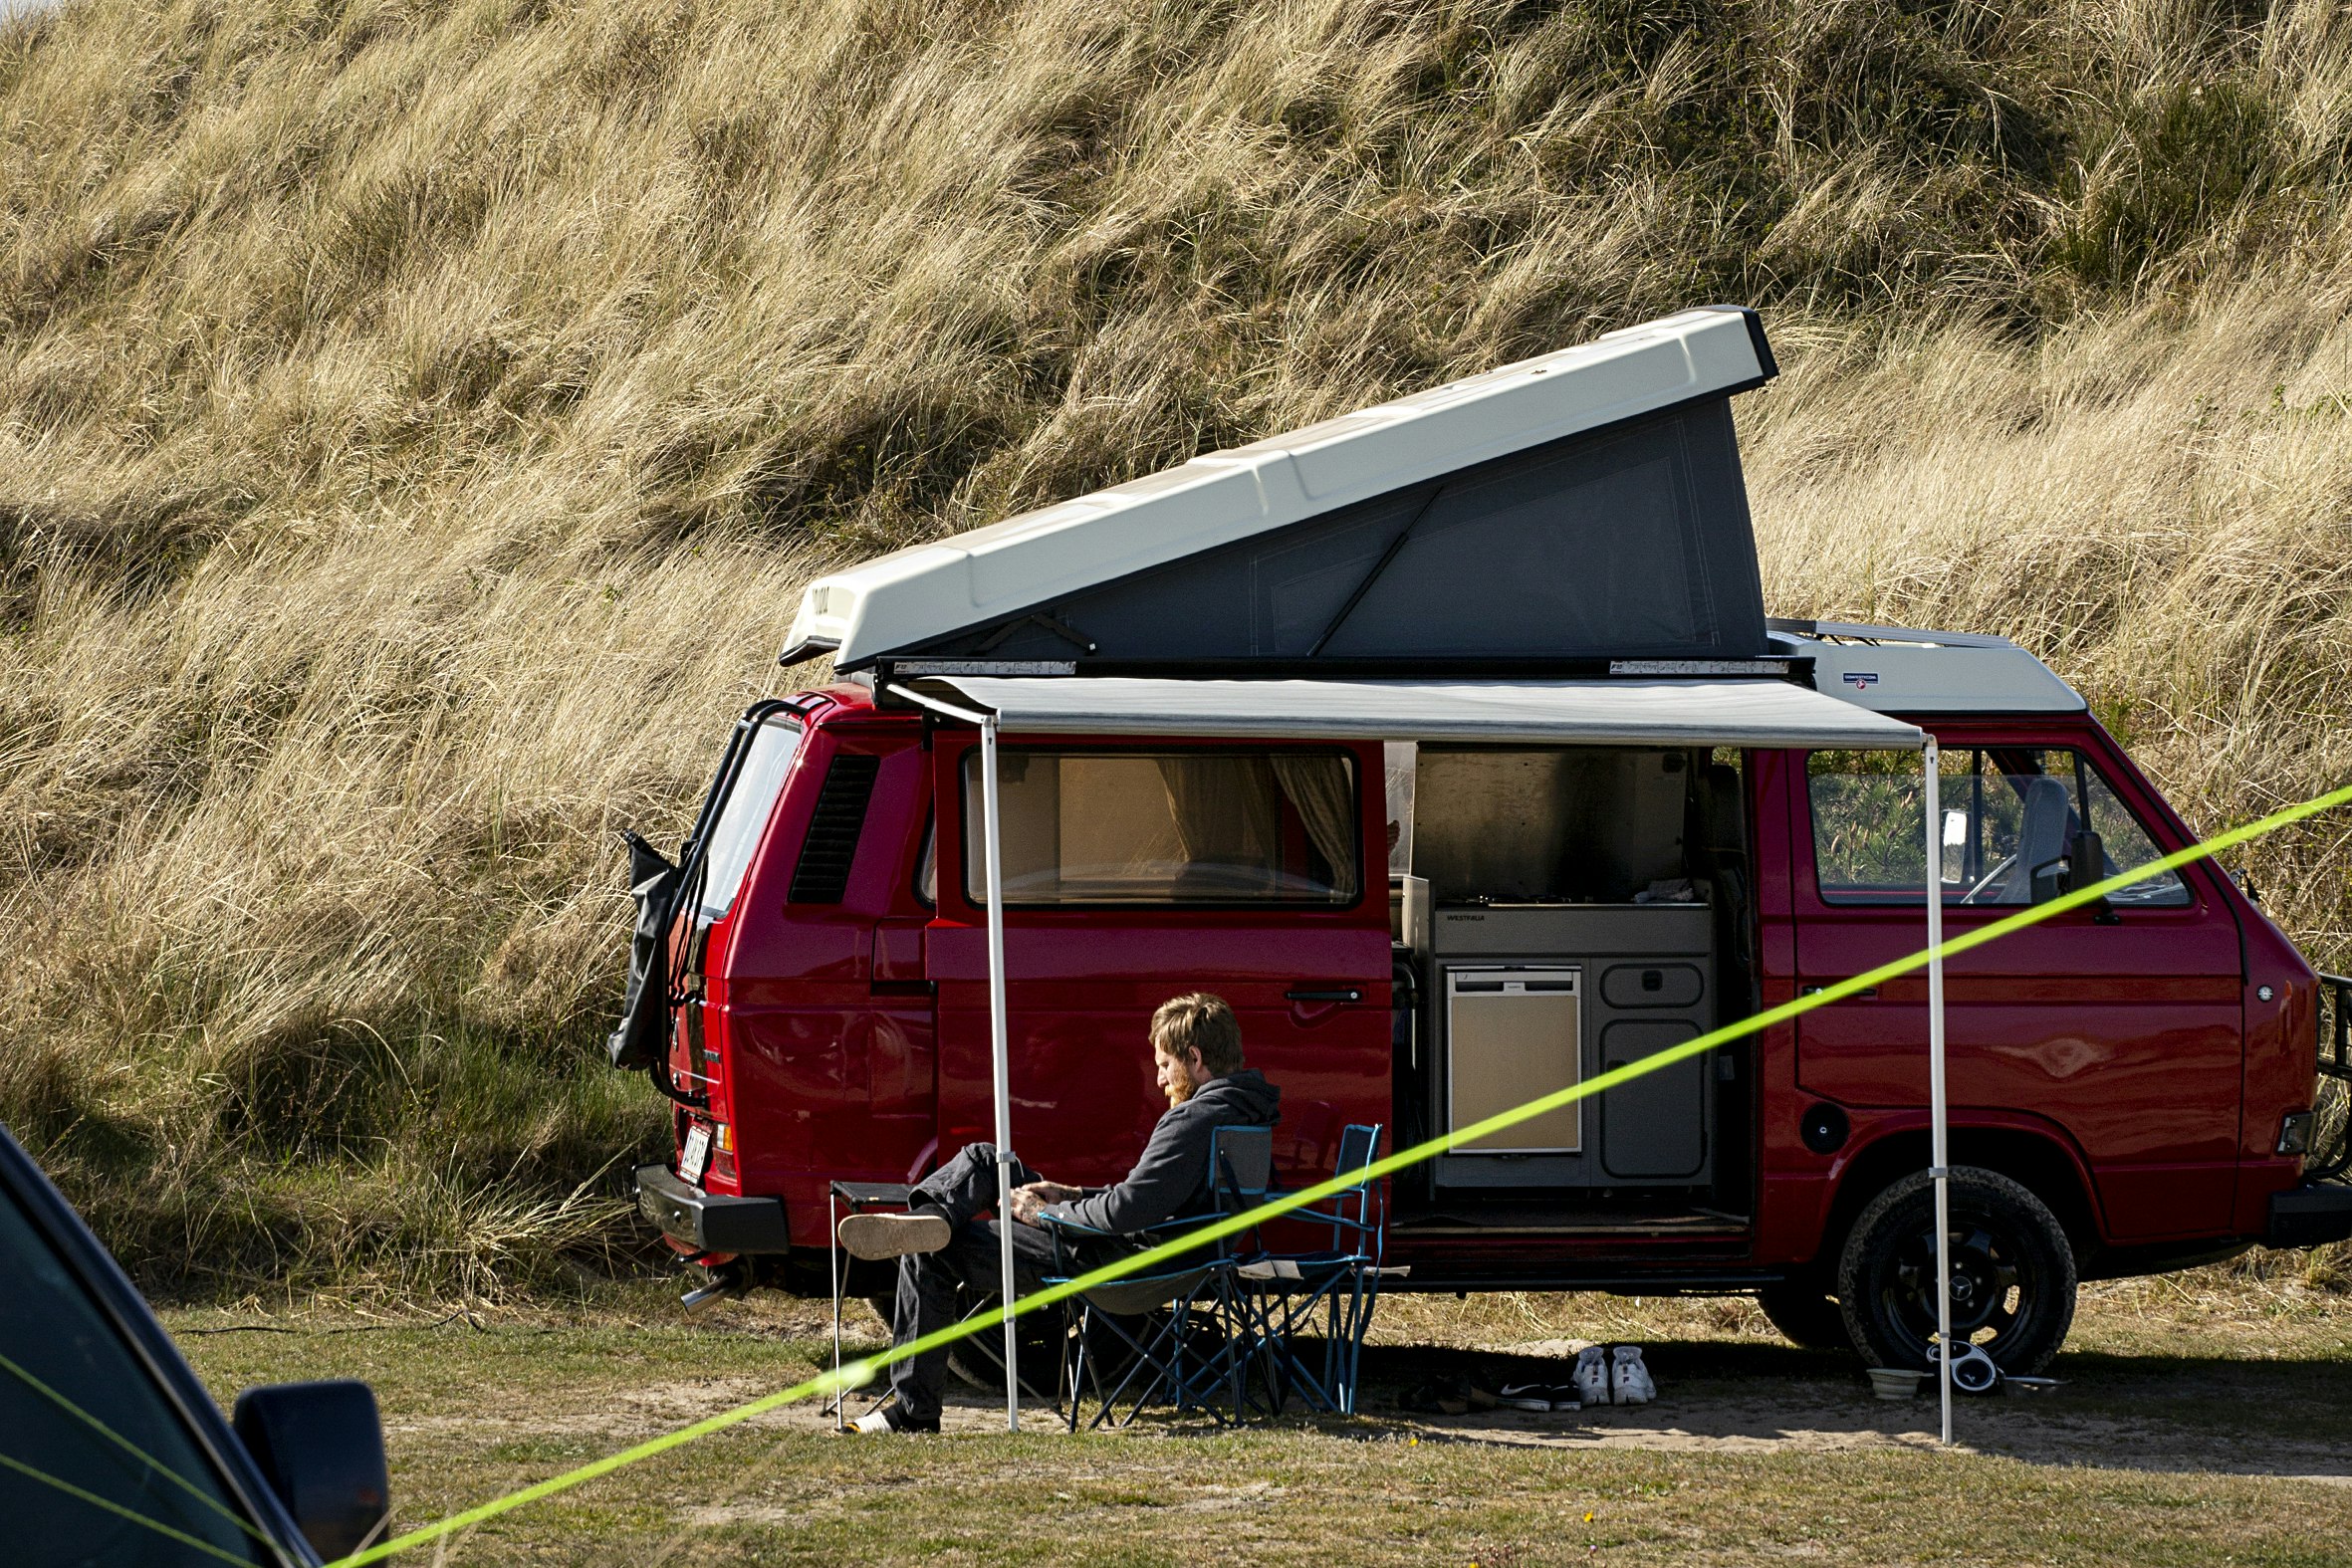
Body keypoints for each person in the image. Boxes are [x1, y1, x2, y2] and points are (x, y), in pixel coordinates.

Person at [834, 992, 1281, 1434]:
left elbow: (1127, 1211)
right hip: (1166, 1257)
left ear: (1196, 1058)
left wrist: (1045, 1215)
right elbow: (1154, 1200)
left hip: (1116, 1263)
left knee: (932, 1251)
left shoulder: (1192, 1120)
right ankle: (930, 1215)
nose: (1161, 1080)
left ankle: (913, 1412)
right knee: (988, 1160)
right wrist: (1070, 1193)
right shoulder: (1246, 1110)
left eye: (1165, 1065)